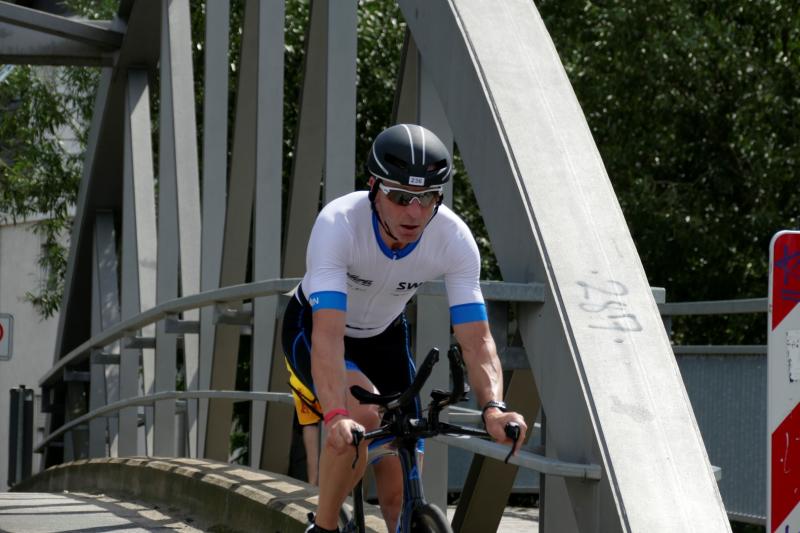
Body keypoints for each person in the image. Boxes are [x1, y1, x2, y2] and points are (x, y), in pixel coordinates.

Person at [282, 124, 528, 533]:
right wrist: (336, 414)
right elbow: (328, 335)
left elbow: (477, 339)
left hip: (385, 337)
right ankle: (323, 528)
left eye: (427, 198)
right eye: (400, 197)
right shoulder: (339, 224)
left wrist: (494, 408)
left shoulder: (453, 238)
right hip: (315, 329)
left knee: (401, 481)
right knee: (361, 415)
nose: (414, 213)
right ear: (374, 188)